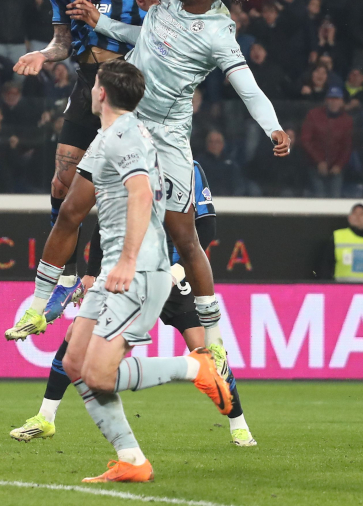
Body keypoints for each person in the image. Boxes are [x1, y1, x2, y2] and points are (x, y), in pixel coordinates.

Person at [13, 59, 232, 483]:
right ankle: (131, 458)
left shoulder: (127, 134)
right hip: (113, 271)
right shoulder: (105, 138)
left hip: (139, 271)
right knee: (76, 363)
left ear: (101, 93)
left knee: (100, 374)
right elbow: (71, 213)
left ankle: (197, 367)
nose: (90, 90)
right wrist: (45, 294)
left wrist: (129, 260)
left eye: (94, 84)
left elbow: (141, 192)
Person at [11, 159, 245, 446]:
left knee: (205, 350)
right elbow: (104, 225)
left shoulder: (188, 166)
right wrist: (92, 274)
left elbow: (206, 228)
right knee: (75, 338)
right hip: (130, 271)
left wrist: (177, 270)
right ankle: (46, 416)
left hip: (173, 271)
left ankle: (238, 424)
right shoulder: (131, 160)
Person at [13, 0, 173, 295]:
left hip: (133, 81)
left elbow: (174, 11)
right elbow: (62, 41)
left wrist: (157, 7)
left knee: (126, 187)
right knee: (61, 185)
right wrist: (43, 56)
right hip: (88, 84)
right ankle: (63, 277)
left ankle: (121, 272)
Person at [312, 203, 363, 282]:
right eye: (355, 213)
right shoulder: (338, 237)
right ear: (349, 218)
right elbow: (326, 267)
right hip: (344, 291)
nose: (358, 217)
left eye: (362, 214)